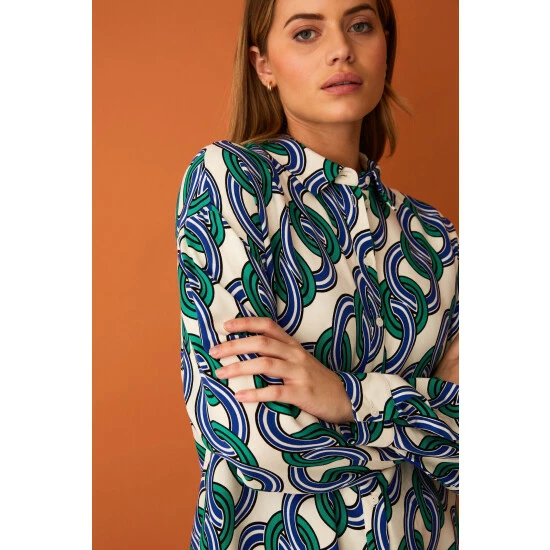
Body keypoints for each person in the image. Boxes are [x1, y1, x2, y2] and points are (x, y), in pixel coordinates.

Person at [175, 0, 459, 548]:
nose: (341, 50)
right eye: (307, 32)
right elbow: (243, 433)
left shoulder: (435, 237)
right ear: (263, 65)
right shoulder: (232, 182)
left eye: (360, 25)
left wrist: (345, 398)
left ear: (385, 46)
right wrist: (424, 419)